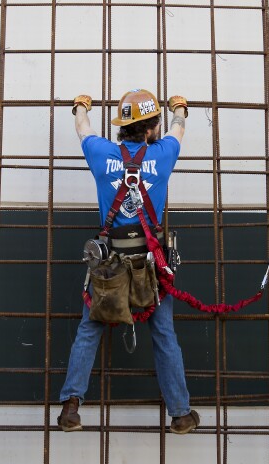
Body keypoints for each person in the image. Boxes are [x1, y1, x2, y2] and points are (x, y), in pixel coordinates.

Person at [56, 89, 200, 434]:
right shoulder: (164, 154)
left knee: (89, 330)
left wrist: (80, 106)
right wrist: (180, 109)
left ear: (123, 126)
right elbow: (179, 129)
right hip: (151, 266)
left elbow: (82, 128)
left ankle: (71, 408)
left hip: (110, 264)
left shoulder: (100, 152)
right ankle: (180, 414)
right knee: (164, 335)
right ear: (151, 128)